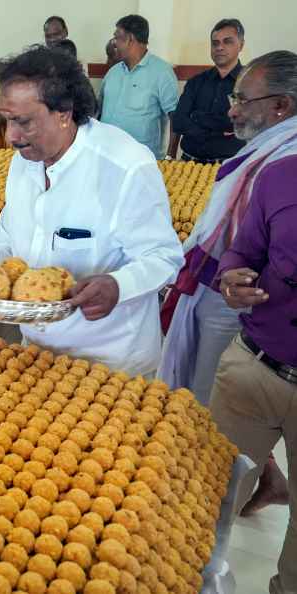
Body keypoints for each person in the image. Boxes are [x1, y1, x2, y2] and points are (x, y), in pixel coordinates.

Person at [0, 46, 183, 376]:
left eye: (24, 122)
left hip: (111, 361)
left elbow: (164, 256)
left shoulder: (125, 166)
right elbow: (9, 238)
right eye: (7, 120)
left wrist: (119, 285)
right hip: (37, 351)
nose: (12, 136)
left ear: (64, 112)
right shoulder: (24, 162)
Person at [207, 49, 297, 594]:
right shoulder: (277, 176)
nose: (234, 109)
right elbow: (243, 252)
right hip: (255, 367)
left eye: (244, 98)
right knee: (205, 495)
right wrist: (234, 279)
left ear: (283, 106)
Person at [99, 14, 179, 159]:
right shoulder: (113, 72)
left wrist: (170, 156)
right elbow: (98, 112)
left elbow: (175, 117)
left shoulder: (162, 72)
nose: (114, 43)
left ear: (130, 39)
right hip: (107, 156)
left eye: (117, 37)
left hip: (142, 161)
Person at [169, 19, 247, 163]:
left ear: (241, 45)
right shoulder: (196, 82)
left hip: (229, 165)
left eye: (227, 41)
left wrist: (197, 116)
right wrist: (218, 130)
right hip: (188, 163)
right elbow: (179, 121)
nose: (219, 47)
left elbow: (242, 124)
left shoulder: (249, 84)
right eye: (215, 43)